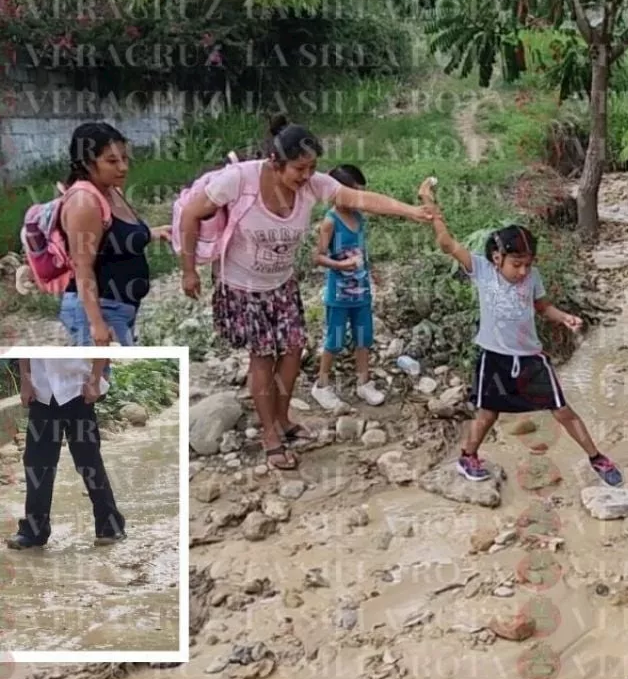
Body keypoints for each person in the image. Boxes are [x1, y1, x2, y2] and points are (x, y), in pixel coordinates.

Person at [177, 116, 438, 469]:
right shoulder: (240, 179)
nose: (306, 176)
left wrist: (411, 211)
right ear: (275, 162)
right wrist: (188, 269)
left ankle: (283, 419)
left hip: (281, 284)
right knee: (263, 356)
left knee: (294, 348)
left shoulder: (311, 184)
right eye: (300, 169)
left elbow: (358, 197)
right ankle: (270, 435)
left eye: (312, 168)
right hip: (242, 286)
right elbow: (191, 214)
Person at [422, 179, 623, 486]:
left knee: (562, 410)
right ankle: (468, 456)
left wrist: (564, 317)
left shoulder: (532, 278)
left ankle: (597, 458)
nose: (524, 272)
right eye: (517, 265)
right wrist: (431, 207)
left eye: (528, 265)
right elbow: (447, 244)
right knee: (487, 415)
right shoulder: (481, 270)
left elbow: (543, 307)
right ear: (497, 258)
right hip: (495, 359)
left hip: (531, 359)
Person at [58, 121, 171, 348]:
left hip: (120, 308)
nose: (123, 167)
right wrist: (96, 324)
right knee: (105, 381)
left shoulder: (111, 192)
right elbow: (83, 266)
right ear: (88, 164)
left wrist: (153, 233)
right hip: (100, 310)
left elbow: (115, 239)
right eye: (111, 161)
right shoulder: (84, 202)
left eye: (125, 158)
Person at [6, 357, 125, 549]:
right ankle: (34, 532)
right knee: (37, 464)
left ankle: (110, 526)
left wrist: (95, 380)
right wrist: (26, 380)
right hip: (42, 392)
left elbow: (99, 344)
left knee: (89, 461)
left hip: (78, 390)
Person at [310, 164, 384, 410]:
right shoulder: (330, 222)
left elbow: (362, 251)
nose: (358, 200)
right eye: (354, 194)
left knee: (364, 337)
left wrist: (373, 272)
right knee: (335, 340)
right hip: (339, 294)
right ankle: (322, 385)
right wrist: (340, 265)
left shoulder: (358, 218)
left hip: (361, 292)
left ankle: (364, 383)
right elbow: (318, 257)